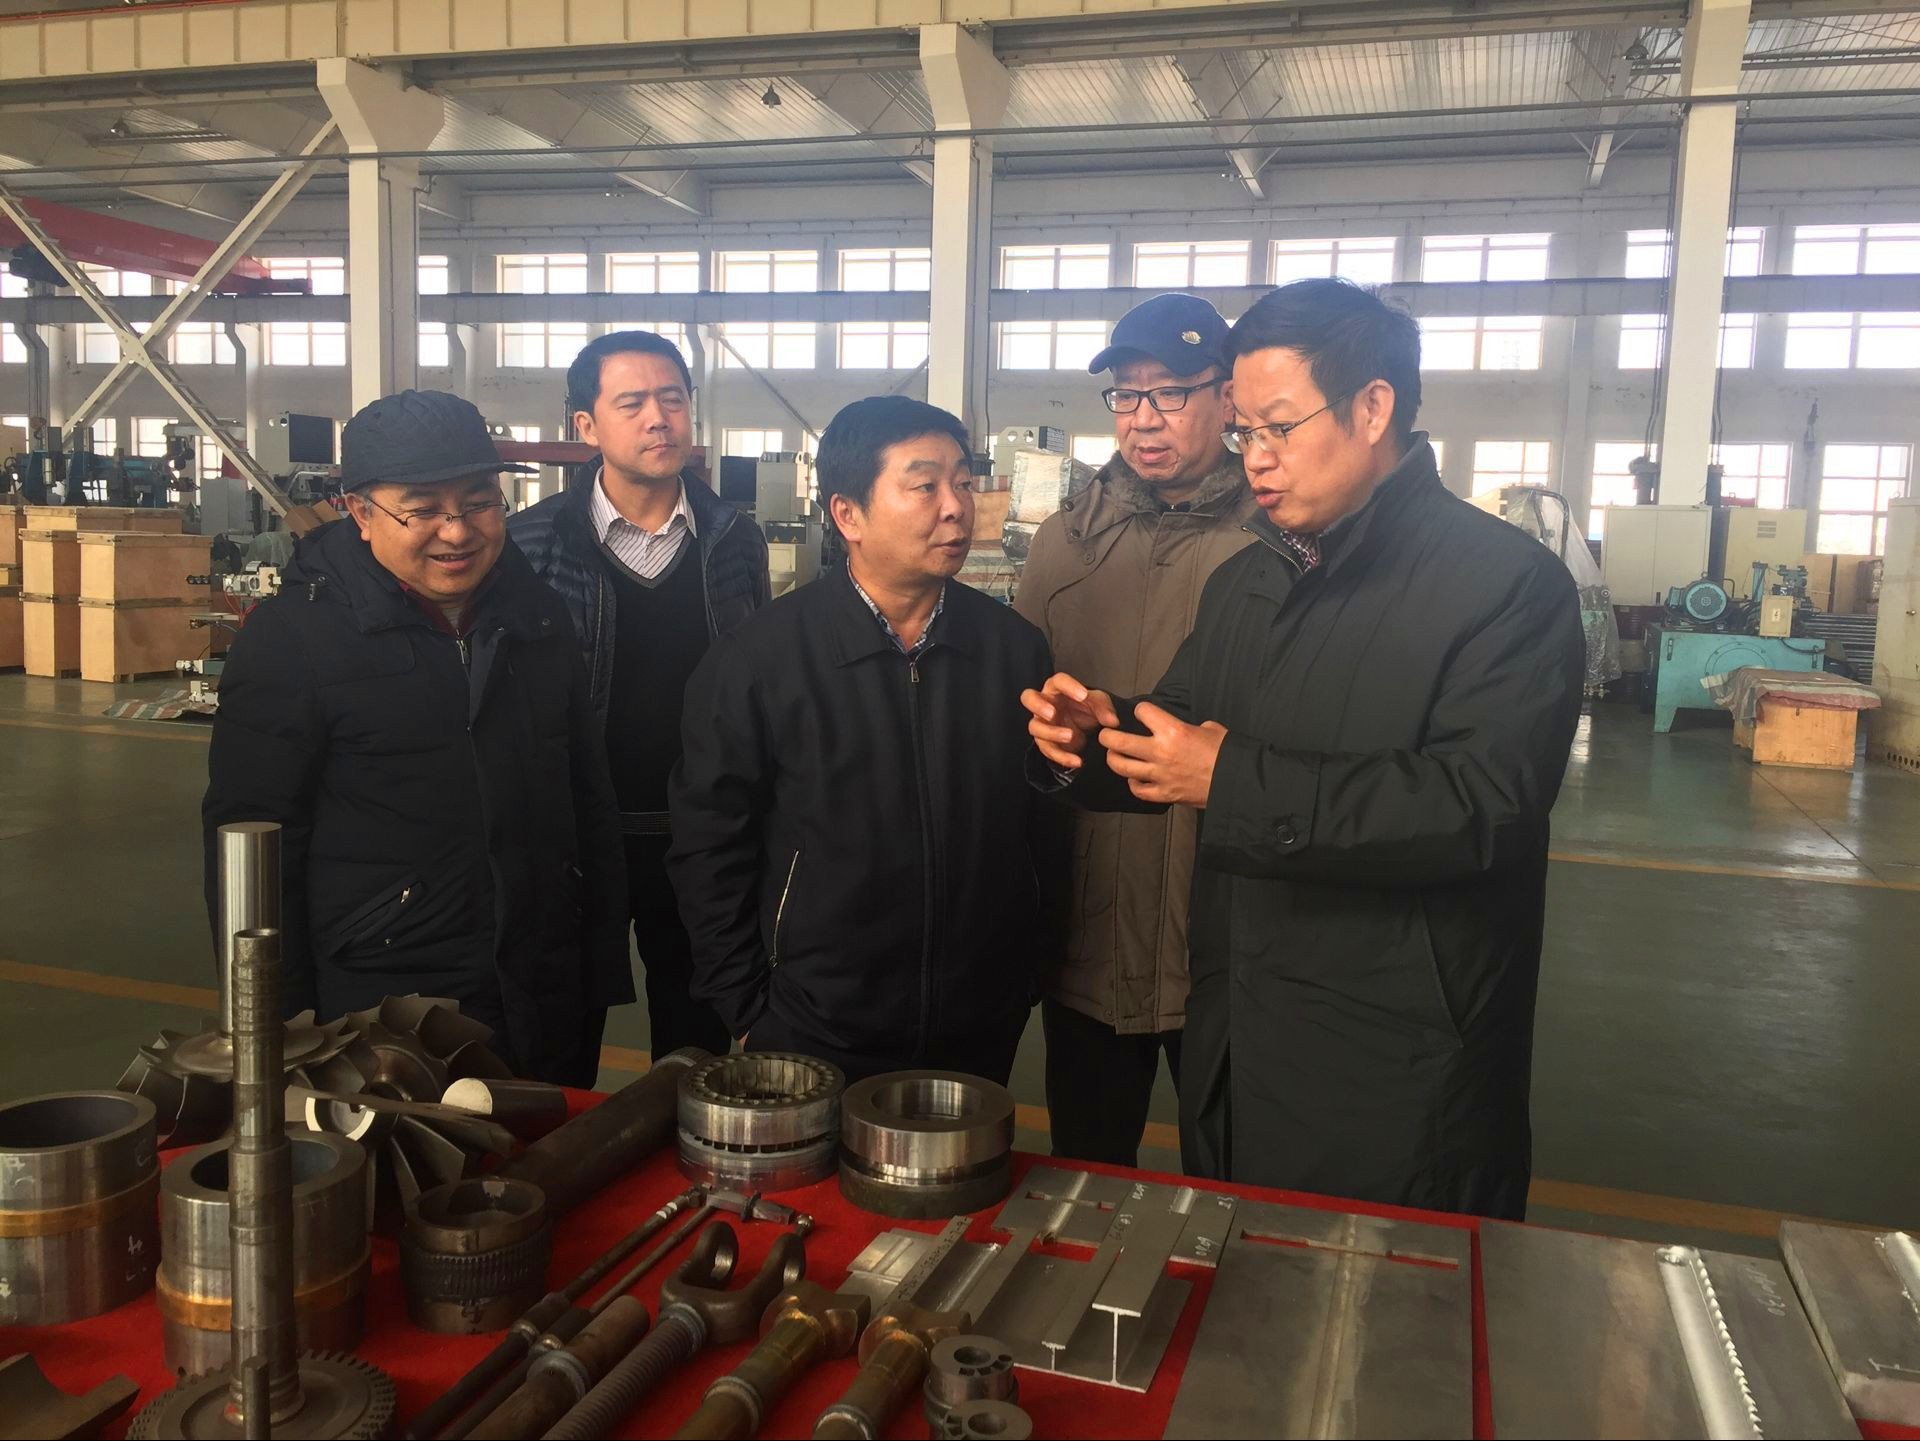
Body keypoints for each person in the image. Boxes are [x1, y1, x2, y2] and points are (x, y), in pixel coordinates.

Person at [1023, 279, 1585, 1218]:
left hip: (1395, 1071)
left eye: (1278, 427)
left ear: (1373, 408)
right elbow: (1178, 728)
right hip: (1238, 1037)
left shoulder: (1504, 586)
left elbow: (1480, 806)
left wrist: (1231, 780)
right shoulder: (1250, 580)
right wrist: (1090, 737)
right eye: (1246, 432)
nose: (1256, 457)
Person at [203, 390, 630, 1085]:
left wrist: (599, 971)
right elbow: (253, 851)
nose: (457, 532)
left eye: (479, 502)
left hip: (544, 988)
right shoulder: (294, 641)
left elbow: (587, 800)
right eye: (423, 510)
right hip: (385, 1008)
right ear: (360, 512)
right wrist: (277, 1030)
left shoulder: (538, 616)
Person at [667, 395, 1056, 1083]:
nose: (956, 507)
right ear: (847, 514)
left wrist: (1023, 973)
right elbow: (708, 844)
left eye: (964, 482)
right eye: (925, 485)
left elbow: (1040, 828)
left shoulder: (1013, 652)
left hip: (978, 1022)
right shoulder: (759, 661)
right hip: (813, 1026)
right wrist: (746, 1007)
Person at [1012, 294, 1255, 1167]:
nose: (1144, 418)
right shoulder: (1063, 544)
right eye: (1126, 394)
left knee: (1234, 1185)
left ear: (1227, 398)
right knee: (1084, 1174)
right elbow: (1028, 725)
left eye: (1171, 392)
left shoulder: (1275, 544)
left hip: (1223, 946)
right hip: (1089, 933)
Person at [509, 331, 769, 1060]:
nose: (659, 418)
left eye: (672, 399)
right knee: (558, 1042)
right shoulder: (529, 546)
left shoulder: (734, 539)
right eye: (632, 404)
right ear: (586, 426)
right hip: (575, 837)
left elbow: (756, 682)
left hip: (700, 833)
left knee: (695, 1049)